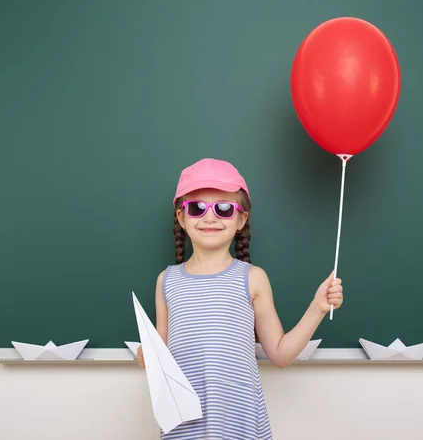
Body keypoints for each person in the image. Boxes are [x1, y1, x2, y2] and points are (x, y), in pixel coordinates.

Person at [137, 157, 343, 439]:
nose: (210, 217)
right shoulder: (167, 281)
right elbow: (159, 353)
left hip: (240, 425)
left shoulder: (252, 278)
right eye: (197, 208)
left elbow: (280, 354)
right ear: (182, 218)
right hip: (184, 428)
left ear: (241, 219)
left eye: (223, 208)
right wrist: (145, 356)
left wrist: (318, 308)